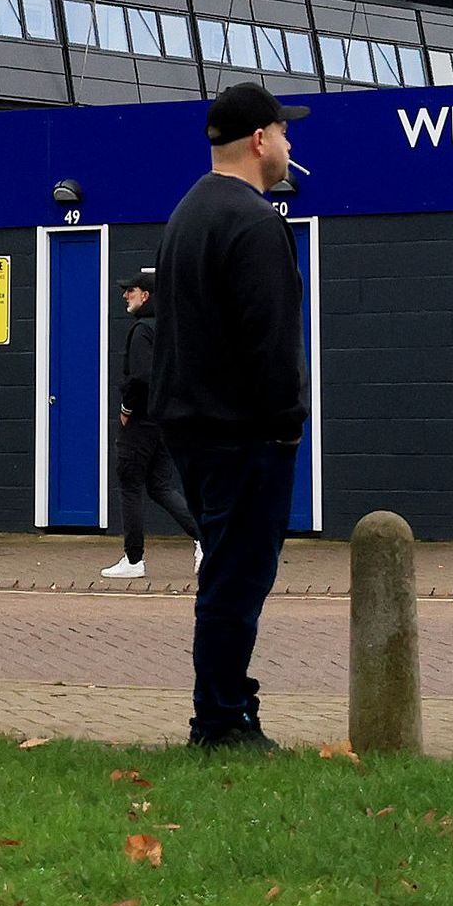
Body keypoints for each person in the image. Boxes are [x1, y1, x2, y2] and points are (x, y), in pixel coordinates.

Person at [151, 81, 309, 750]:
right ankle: (219, 717)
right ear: (258, 140)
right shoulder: (254, 220)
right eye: (284, 131)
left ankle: (229, 703)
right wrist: (287, 419)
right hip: (243, 430)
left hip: (190, 423)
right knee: (238, 575)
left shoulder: (186, 212)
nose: (290, 143)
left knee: (224, 567)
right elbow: (270, 335)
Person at [103, 268, 181, 578]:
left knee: (130, 487)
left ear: (145, 296)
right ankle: (205, 538)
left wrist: (126, 407)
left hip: (139, 424)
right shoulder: (167, 329)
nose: (125, 295)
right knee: (161, 487)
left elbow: (140, 377)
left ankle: (133, 560)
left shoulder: (140, 331)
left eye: (130, 291)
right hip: (162, 422)